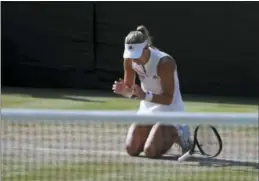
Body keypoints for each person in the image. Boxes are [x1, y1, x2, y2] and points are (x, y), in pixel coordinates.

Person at [112, 25, 192, 158]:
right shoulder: (129, 60)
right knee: (131, 149)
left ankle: (180, 131)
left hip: (170, 109)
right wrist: (124, 91)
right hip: (148, 107)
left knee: (151, 151)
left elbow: (168, 98)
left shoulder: (165, 62)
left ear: (146, 48)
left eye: (136, 55)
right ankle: (156, 131)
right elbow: (130, 91)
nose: (134, 59)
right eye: (131, 55)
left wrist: (144, 95)